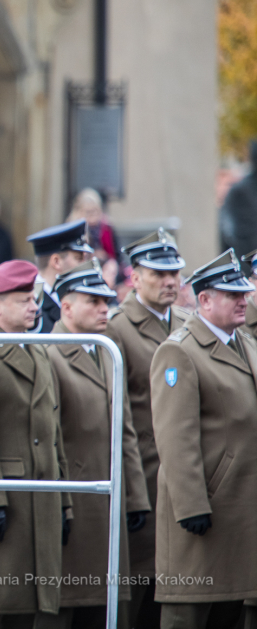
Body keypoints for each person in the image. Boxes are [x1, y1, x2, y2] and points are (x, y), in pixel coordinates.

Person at [150, 250, 257, 629]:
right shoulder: (180, 351)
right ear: (205, 299)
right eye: (233, 295)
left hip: (242, 506)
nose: (244, 300)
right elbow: (176, 437)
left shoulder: (244, 342)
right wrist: (191, 504)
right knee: (191, 611)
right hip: (209, 507)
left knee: (231, 610)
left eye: (244, 293)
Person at [47, 260, 150, 629]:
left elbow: (125, 432)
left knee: (109, 607)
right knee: (71, 603)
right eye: (93, 301)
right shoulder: (51, 354)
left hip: (109, 502)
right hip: (77, 501)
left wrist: (136, 496)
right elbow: (50, 438)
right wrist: (61, 505)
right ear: (66, 307)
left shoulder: (106, 352)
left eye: (107, 301)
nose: (105, 308)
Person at [0, 260, 70, 628]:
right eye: (23, 300)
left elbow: (53, 430)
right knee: (3, 607)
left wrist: (66, 502)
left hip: (43, 490)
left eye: (33, 298)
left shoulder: (38, 348)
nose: (34, 306)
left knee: (38, 609)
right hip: (10, 496)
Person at [104, 229, 189, 629]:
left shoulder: (189, 324)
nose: (170, 281)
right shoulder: (118, 329)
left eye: (174, 273)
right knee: (139, 588)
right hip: (145, 477)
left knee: (181, 588)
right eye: (158, 273)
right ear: (134, 277)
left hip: (187, 474)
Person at [27, 220, 94, 333]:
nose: (84, 265)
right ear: (56, 262)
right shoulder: (32, 304)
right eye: (78, 259)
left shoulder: (70, 297)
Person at [67, 188, 117, 261]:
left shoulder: (106, 228)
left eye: (94, 211)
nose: (92, 215)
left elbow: (116, 256)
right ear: (79, 212)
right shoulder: (74, 229)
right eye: (88, 212)